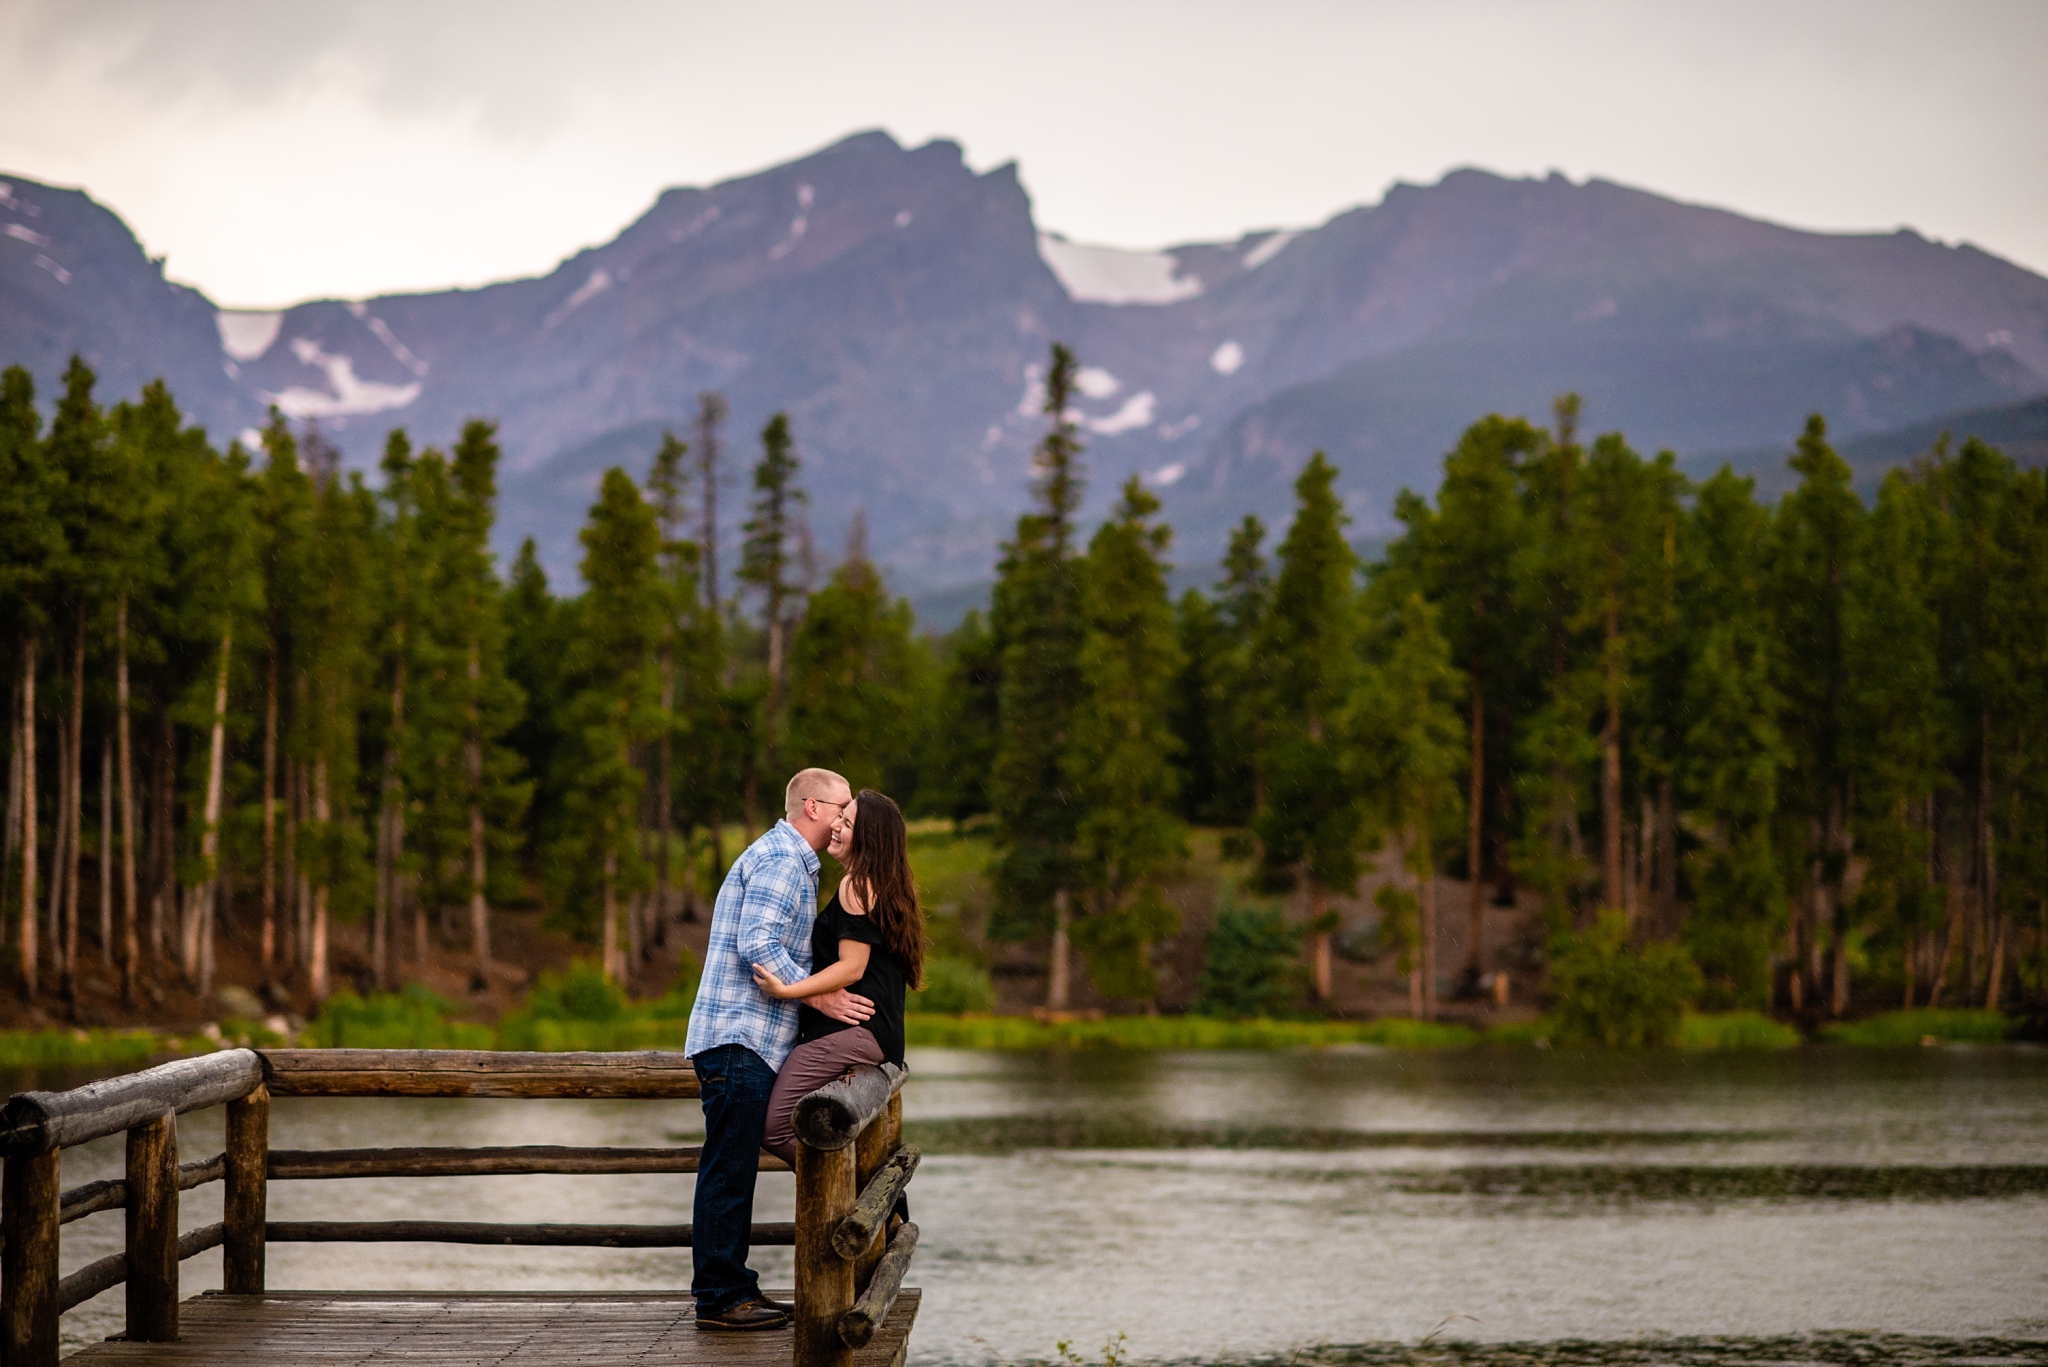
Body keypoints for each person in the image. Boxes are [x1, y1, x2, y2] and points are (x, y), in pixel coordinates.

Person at [683, 768, 874, 1332]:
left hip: (745, 1040)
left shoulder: (784, 860)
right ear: (812, 807)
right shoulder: (784, 862)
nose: (844, 819)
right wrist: (823, 998)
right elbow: (758, 943)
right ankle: (719, 1297)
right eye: (840, 807)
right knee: (728, 1170)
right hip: (740, 1038)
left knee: (733, 1167)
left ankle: (732, 1287)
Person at [754, 789, 925, 1167]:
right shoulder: (884, 884)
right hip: (874, 1033)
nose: (836, 826)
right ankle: (858, 1189)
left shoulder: (857, 884)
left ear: (867, 839)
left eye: (847, 823)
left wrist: (788, 990)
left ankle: (848, 1189)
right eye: (840, 817)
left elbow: (852, 967)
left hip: (853, 1031)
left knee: (775, 1128)